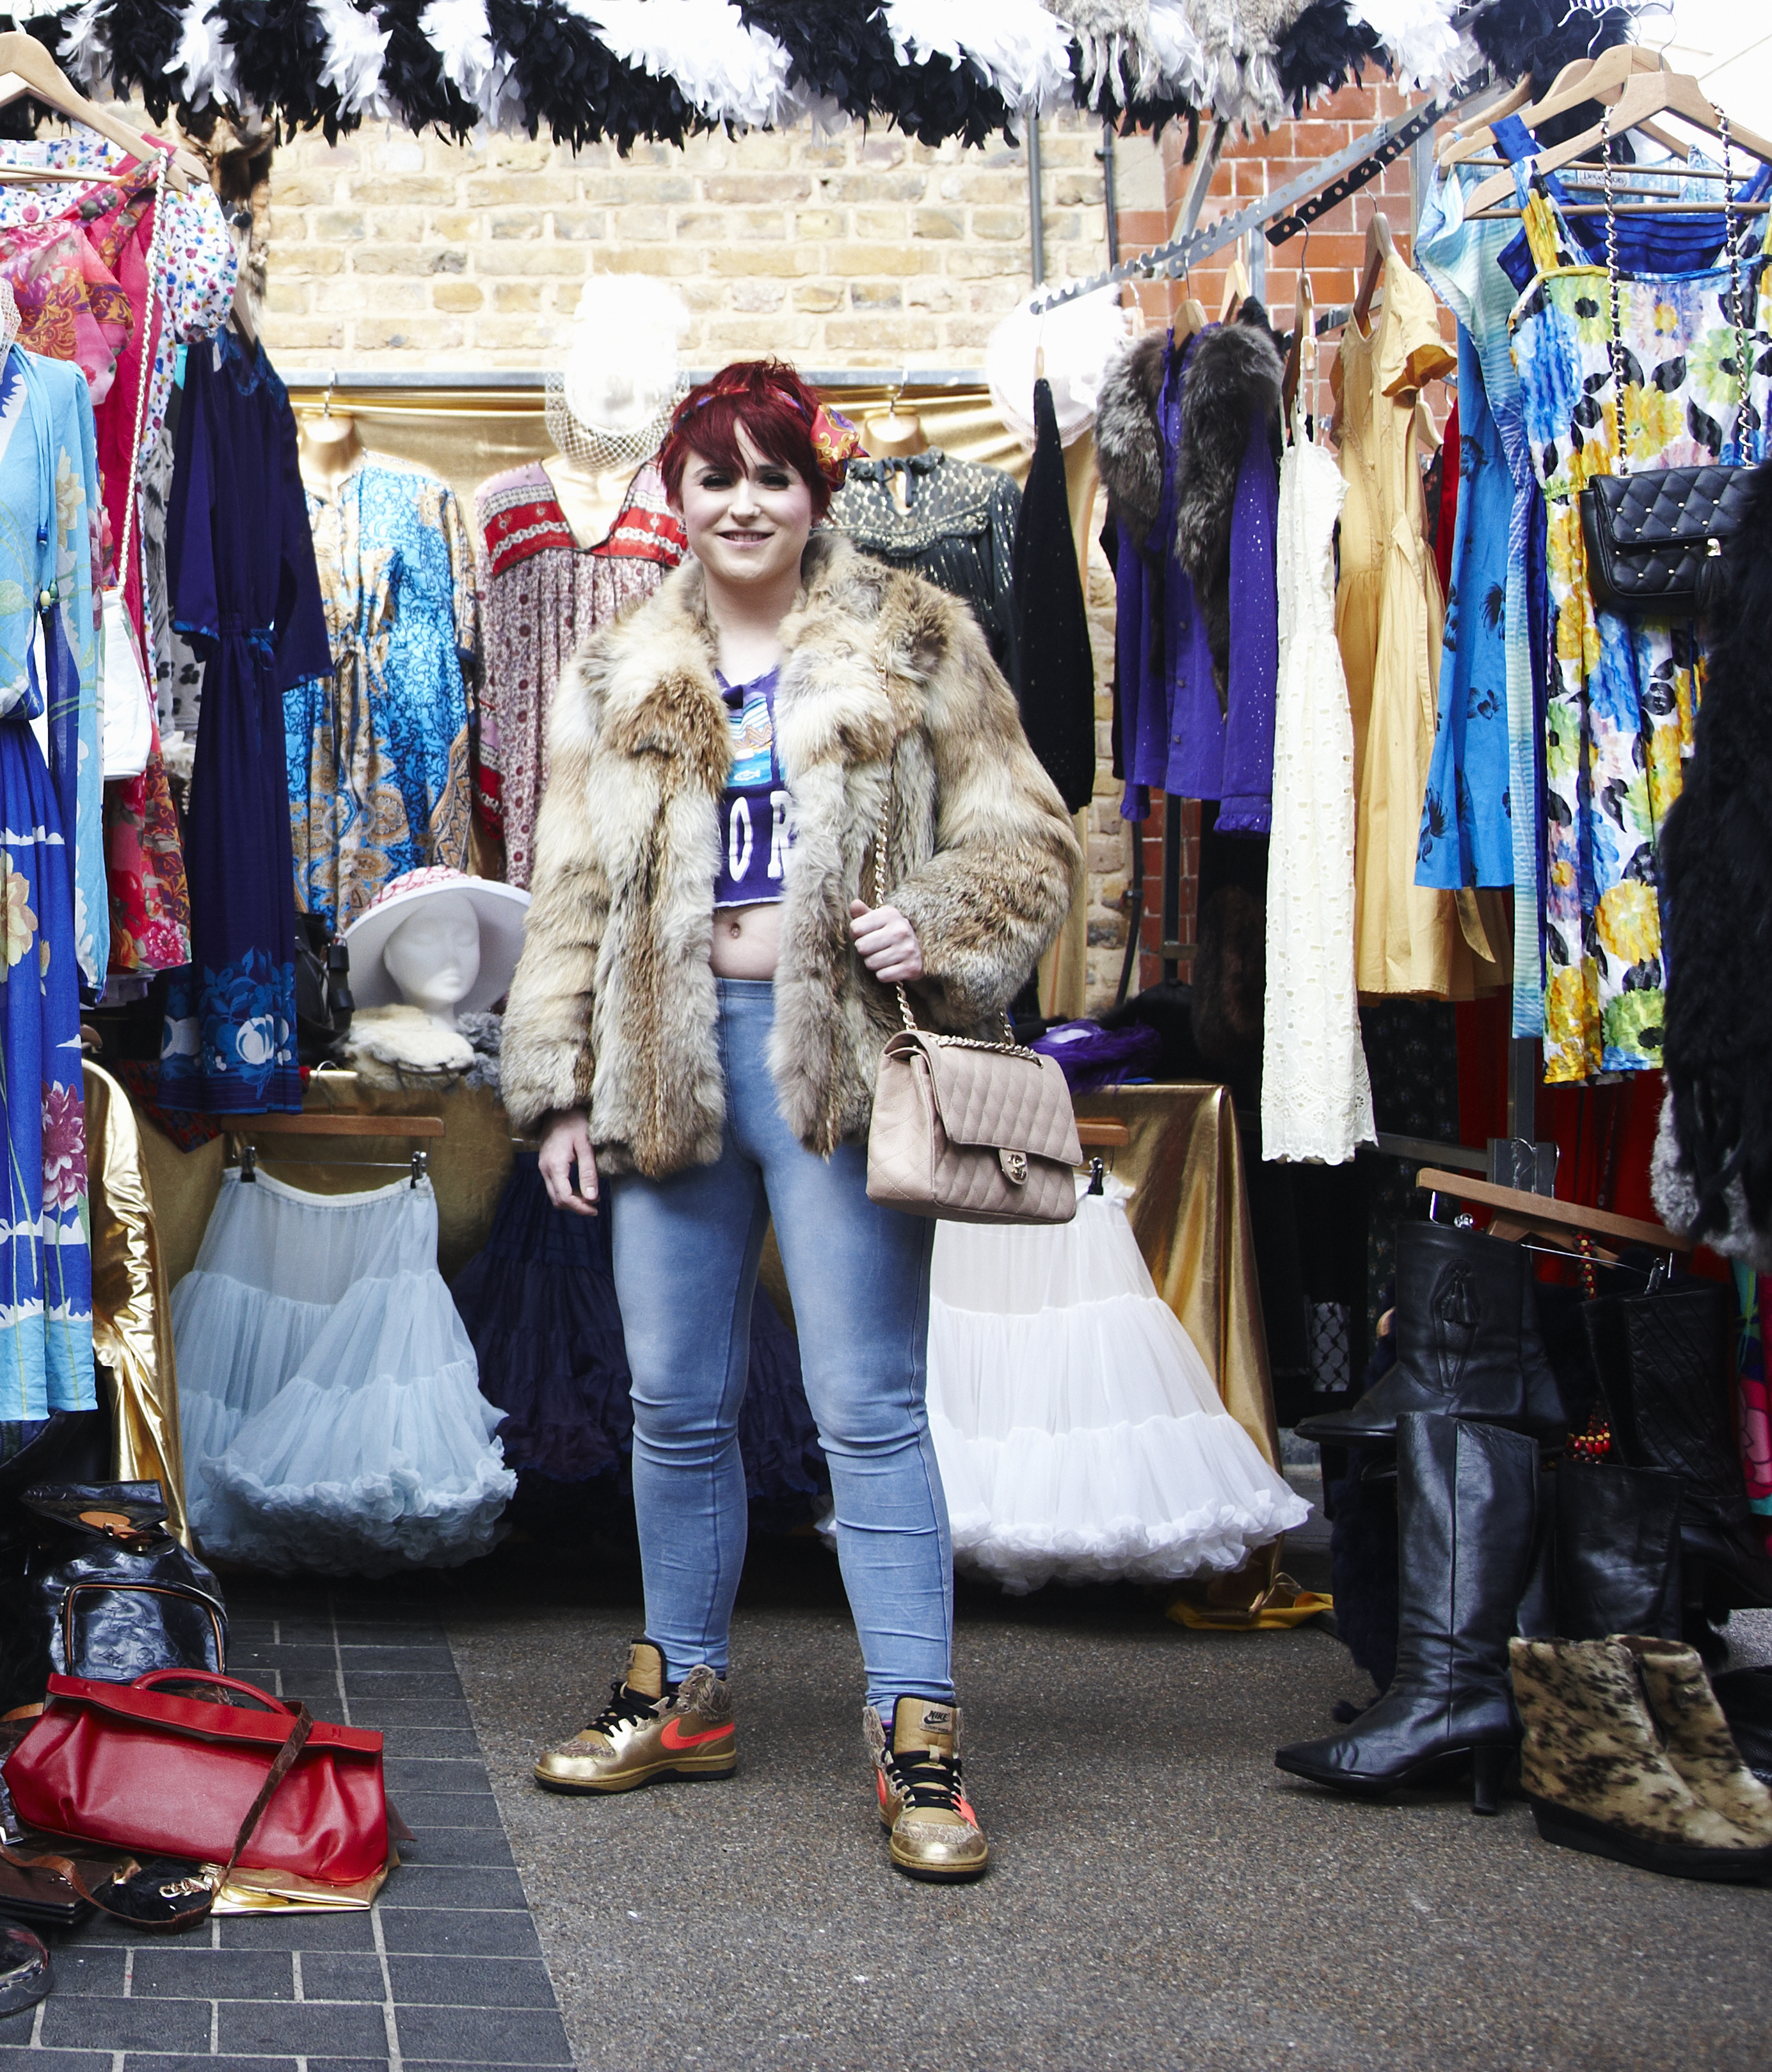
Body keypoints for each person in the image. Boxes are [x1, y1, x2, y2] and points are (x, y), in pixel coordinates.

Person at [498, 360, 1079, 1881]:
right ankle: (680, 1686)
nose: (742, 502)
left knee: (866, 1404)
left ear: (815, 491)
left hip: (840, 1057)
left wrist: (939, 917)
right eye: (714, 477)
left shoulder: (912, 636)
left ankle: (917, 1737)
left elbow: (1027, 834)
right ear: (672, 496)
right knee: (673, 1397)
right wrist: (556, 1082)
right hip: (665, 1057)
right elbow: (570, 885)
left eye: (772, 475)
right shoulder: (617, 666)